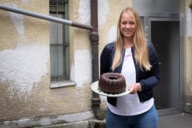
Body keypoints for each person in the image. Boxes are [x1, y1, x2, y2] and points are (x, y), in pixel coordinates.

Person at [100, 6, 160, 128]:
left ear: (137, 25)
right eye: (124, 23)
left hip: (145, 114)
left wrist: (140, 86)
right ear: (119, 25)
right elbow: (103, 79)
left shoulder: (147, 48)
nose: (127, 26)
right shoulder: (109, 50)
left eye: (131, 23)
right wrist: (115, 80)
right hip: (116, 115)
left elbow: (156, 77)